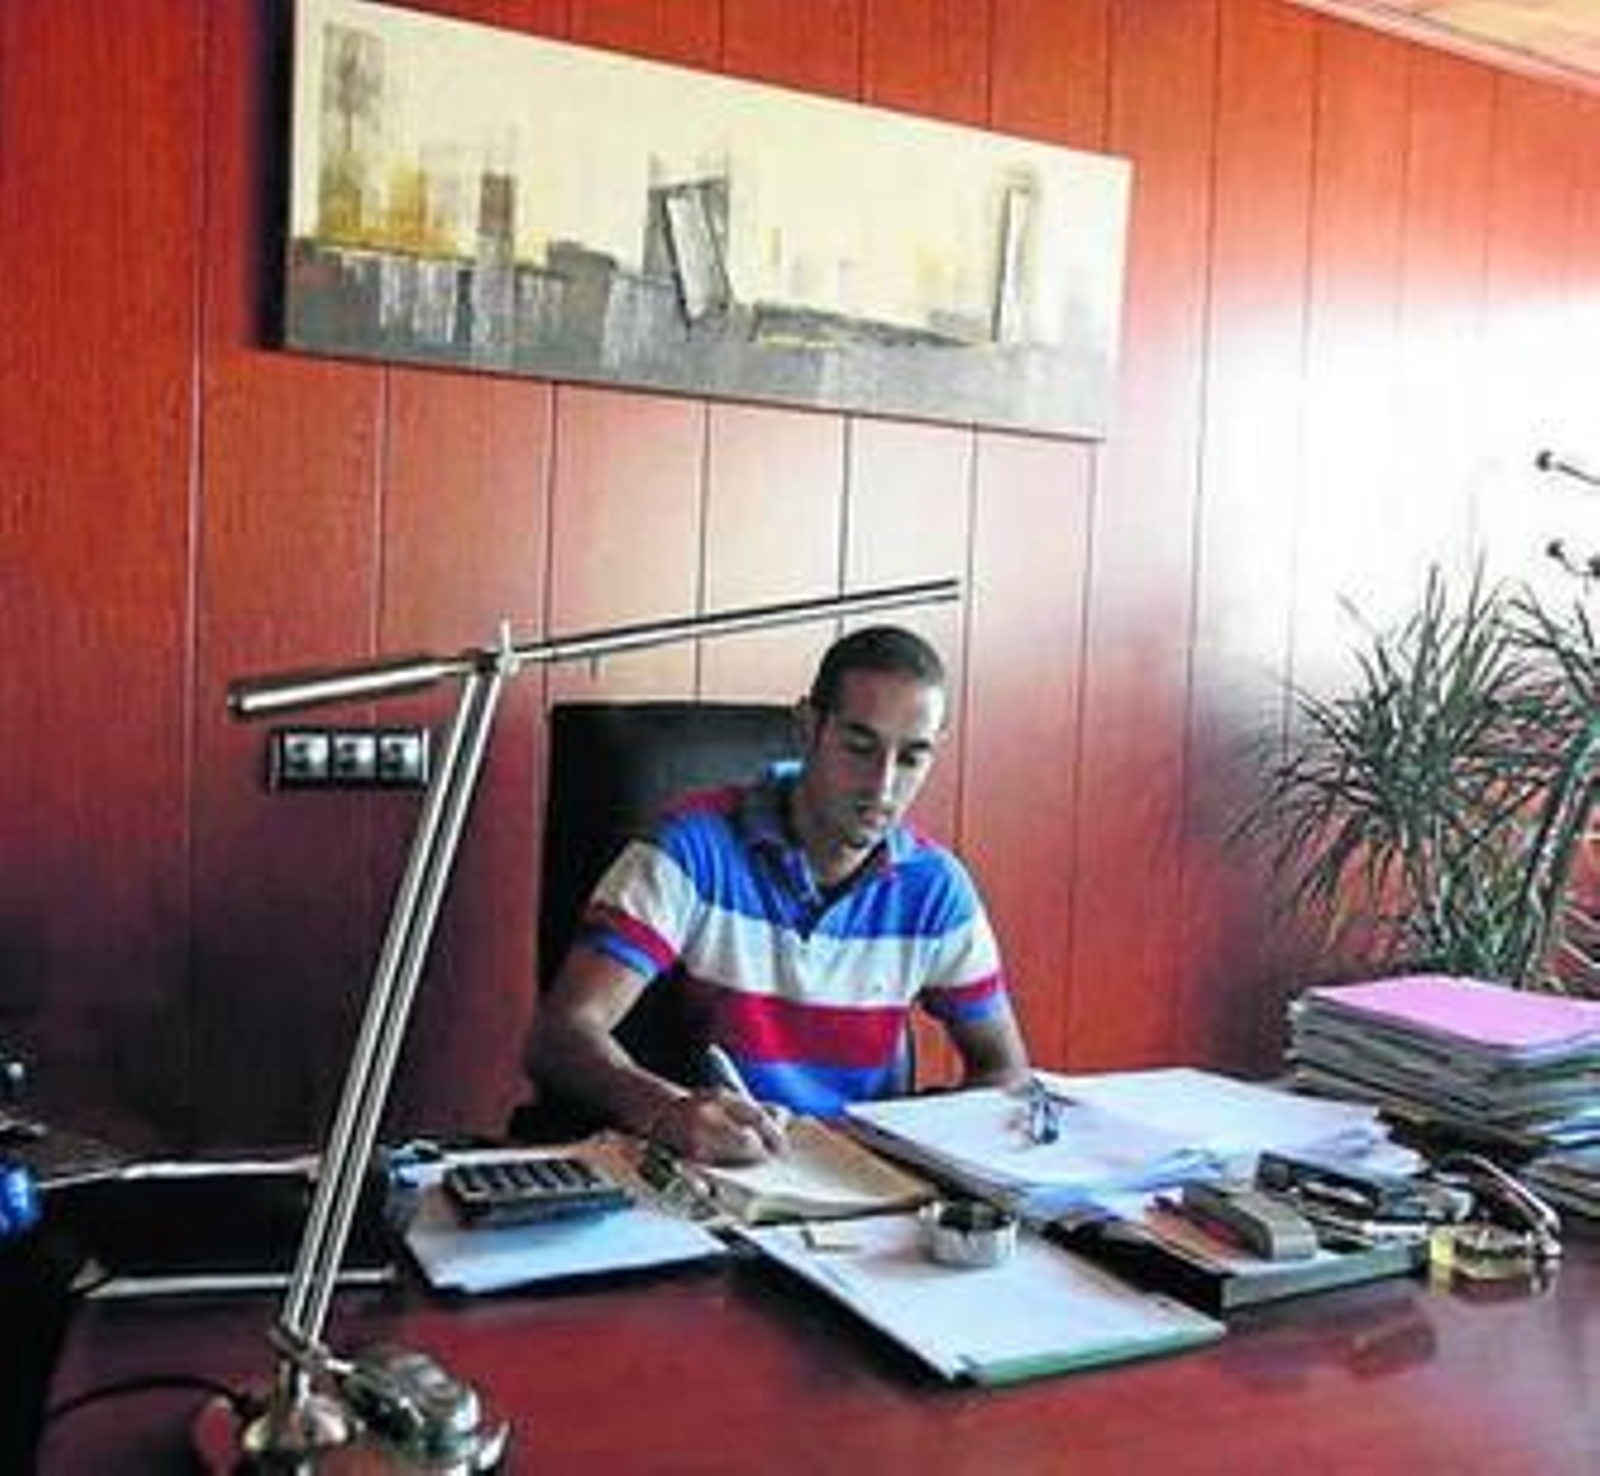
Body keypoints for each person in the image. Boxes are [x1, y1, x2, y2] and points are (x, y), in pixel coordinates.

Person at [526, 625, 1030, 1165]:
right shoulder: (690, 850)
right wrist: (668, 1111)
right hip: (720, 1172)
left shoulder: (935, 888)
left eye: (911, 757)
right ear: (808, 727)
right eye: (859, 747)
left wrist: (932, 1153)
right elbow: (559, 1037)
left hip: (866, 1184)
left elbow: (1004, 1070)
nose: (883, 786)